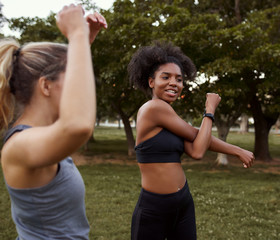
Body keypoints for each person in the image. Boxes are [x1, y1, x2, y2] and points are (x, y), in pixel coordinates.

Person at [127, 41, 255, 240]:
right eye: (166, 77)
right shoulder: (153, 109)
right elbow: (198, 141)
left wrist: (237, 150)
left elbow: (197, 147)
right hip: (154, 208)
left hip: (183, 202)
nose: (174, 83)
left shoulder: (170, 116)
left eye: (179, 79)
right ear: (151, 82)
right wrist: (210, 110)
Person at [0, 4, 107, 240]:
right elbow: (77, 125)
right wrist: (77, 34)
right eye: (69, 80)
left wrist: (83, 43)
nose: (75, 89)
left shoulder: (41, 134)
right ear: (45, 86)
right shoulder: (20, 146)